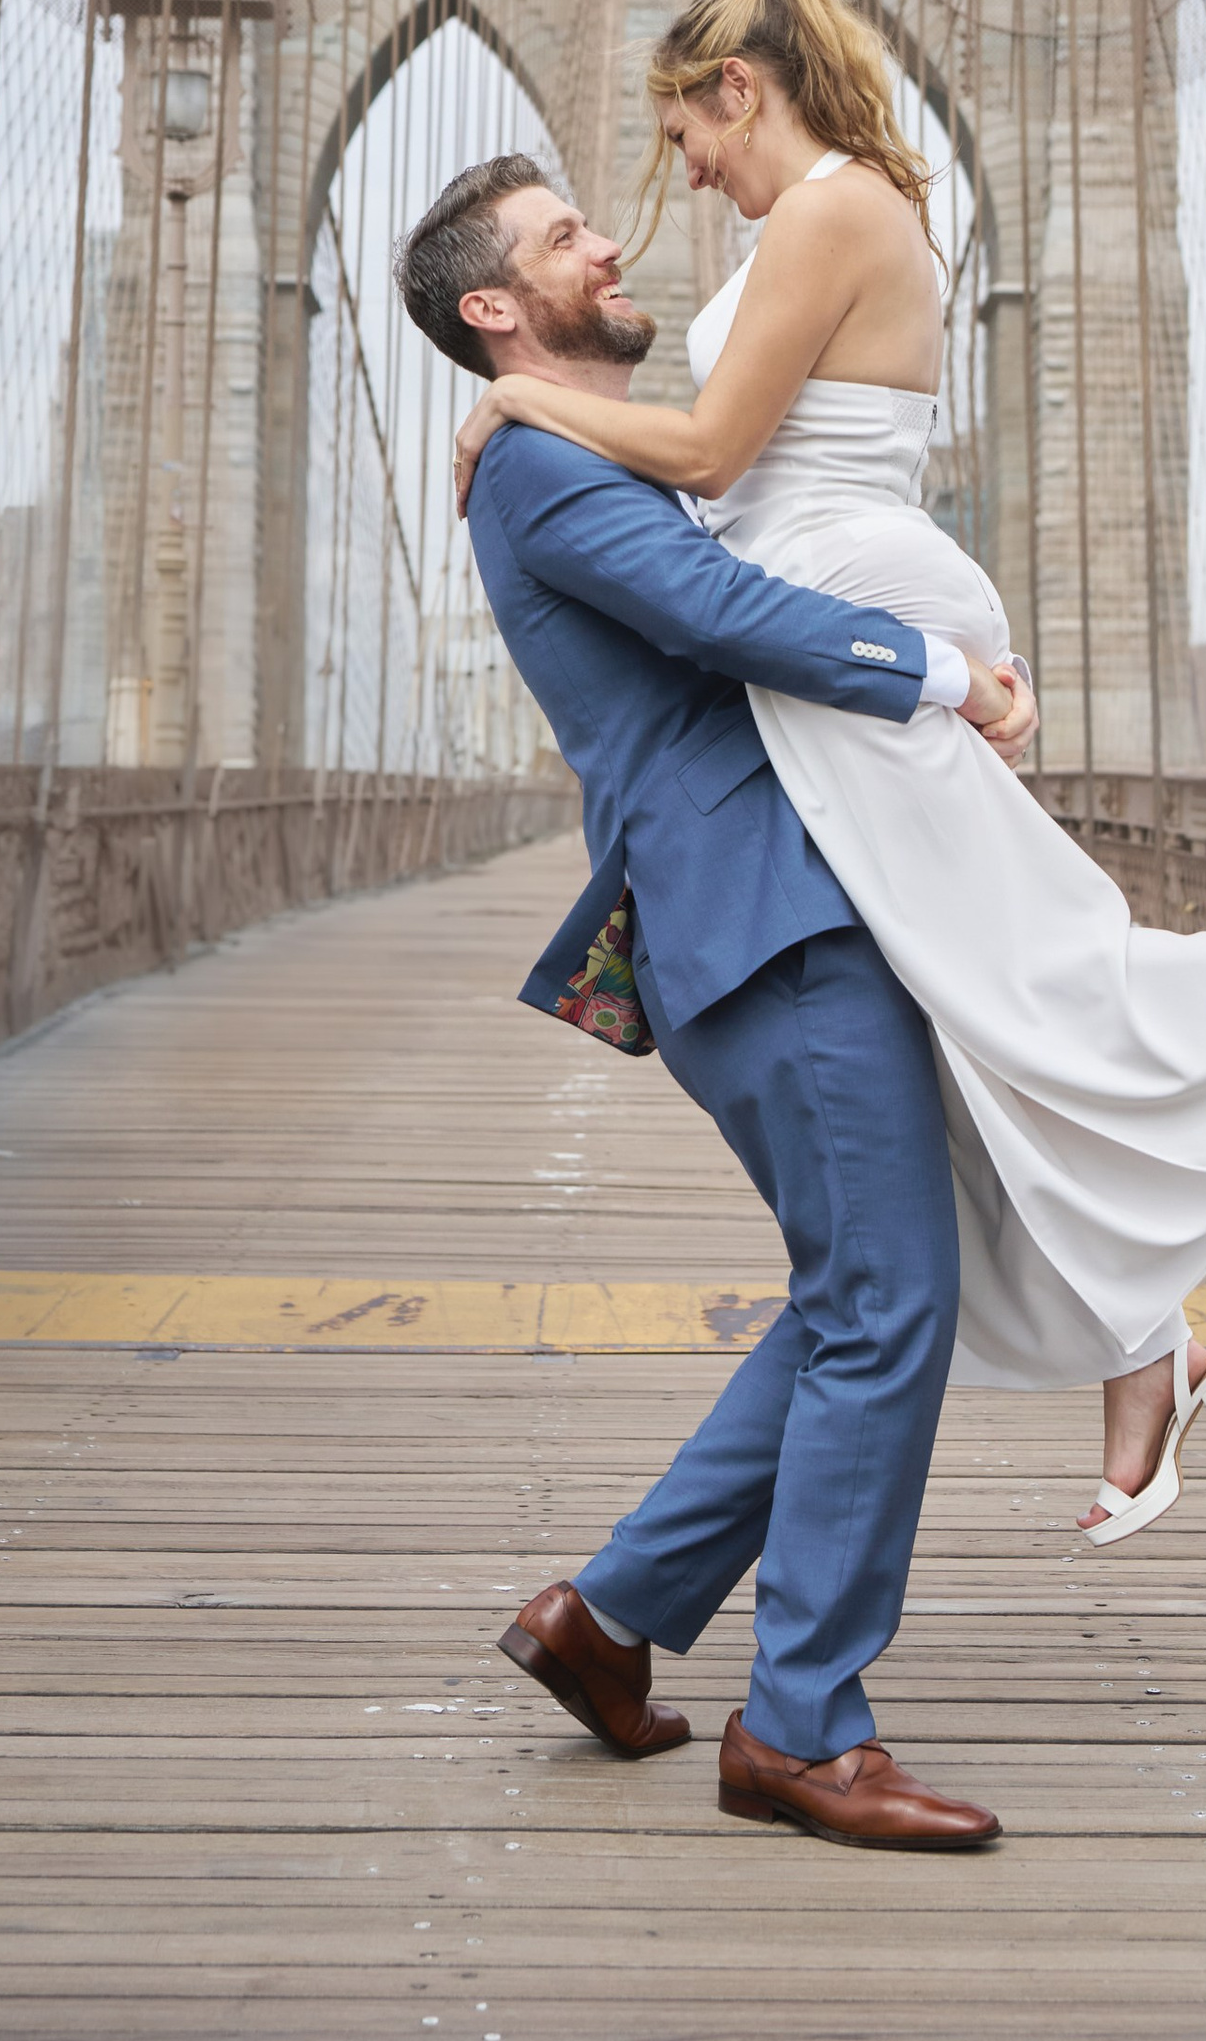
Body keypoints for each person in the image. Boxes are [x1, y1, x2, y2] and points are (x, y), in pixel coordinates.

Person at [447, 0, 1206, 1542]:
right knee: (962, 1015)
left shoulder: (823, 215)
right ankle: (1146, 1344)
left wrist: (519, 406)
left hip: (855, 616)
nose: (678, 183)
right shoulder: (827, 214)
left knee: (1031, 972)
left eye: (686, 137)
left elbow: (707, 453)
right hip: (838, 608)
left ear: (739, 88)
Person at [394, 151, 1031, 1850]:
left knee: (861, 1292)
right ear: (496, 308)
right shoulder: (541, 467)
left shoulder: (566, 448)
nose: (610, 240)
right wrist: (945, 678)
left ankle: (609, 1620)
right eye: (564, 237)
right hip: (762, 916)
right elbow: (723, 613)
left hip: (773, 907)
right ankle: (801, 1730)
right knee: (888, 1299)